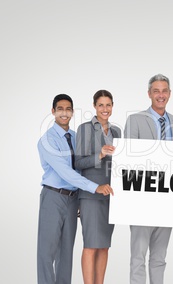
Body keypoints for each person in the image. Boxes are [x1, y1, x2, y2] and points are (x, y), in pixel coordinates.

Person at [37, 94, 113, 284]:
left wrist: (80, 198)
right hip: (53, 196)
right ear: (53, 111)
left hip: (72, 199)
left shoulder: (76, 136)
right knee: (47, 252)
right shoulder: (47, 140)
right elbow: (65, 172)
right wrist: (95, 188)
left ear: (72, 112)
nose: (65, 113)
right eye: (60, 109)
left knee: (66, 252)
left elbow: (80, 167)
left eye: (68, 109)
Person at [124, 74, 173, 284]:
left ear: (170, 94)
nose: (160, 95)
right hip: (142, 199)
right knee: (138, 257)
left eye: (164, 91)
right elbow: (128, 158)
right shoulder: (135, 120)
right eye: (156, 91)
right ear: (149, 94)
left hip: (167, 199)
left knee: (159, 258)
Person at [75, 90, 121, 284]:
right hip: (91, 195)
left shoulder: (117, 132)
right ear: (94, 106)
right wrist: (100, 154)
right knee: (91, 245)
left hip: (111, 195)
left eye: (108, 105)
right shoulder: (85, 129)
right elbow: (78, 163)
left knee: (104, 246)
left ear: (112, 106)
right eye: (101, 105)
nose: (105, 109)